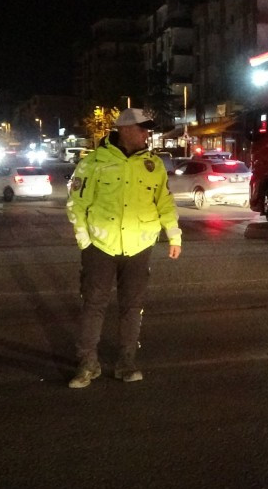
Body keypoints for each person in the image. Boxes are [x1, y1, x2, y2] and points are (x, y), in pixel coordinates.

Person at [65, 107, 182, 388]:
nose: (146, 134)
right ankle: (87, 365)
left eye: (147, 129)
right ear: (124, 130)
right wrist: (85, 241)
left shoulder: (152, 164)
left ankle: (126, 362)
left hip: (139, 246)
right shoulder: (94, 163)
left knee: (132, 307)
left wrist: (174, 235)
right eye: (141, 128)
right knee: (94, 306)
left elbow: (164, 202)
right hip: (100, 246)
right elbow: (76, 205)